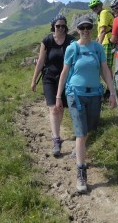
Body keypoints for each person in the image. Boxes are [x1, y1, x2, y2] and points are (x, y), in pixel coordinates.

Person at [56, 16, 117, 193]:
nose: (85, 30)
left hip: (95, 95)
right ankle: (81, 173)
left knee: (90, 128)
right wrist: (59, 97)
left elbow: (105, 70)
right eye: (82, 27)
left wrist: (111, 92)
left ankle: (78, 148)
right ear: (77, 30)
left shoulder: (98, 48)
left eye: (88, 27)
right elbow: (64, 73)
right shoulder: (72, 48)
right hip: (75, 95)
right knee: (81, 134)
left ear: (92, 28)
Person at [31, 15, 75, 157]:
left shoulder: (70, 41)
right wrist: (34, 80)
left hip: (65, 79)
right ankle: (56, 139)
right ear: (53, 27)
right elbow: (40, 61)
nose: (61, 28)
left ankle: (56, 132)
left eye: (63, 26)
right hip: (49, 78)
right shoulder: (47, 41)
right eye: (58, 26)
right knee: (53, 109)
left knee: (60, 108)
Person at [88, 0, 115, 102]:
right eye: (92, 7)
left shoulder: (103, 13)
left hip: (107, 42)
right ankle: (109, 88)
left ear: (100, 5)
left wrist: (97, 47)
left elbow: (103, 31)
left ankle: (110, 90)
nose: (94, 8)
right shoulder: (100, 15)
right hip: (104, 42)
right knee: (105, 68)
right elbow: (100, 32)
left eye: (96, 6)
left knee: (106, 68)